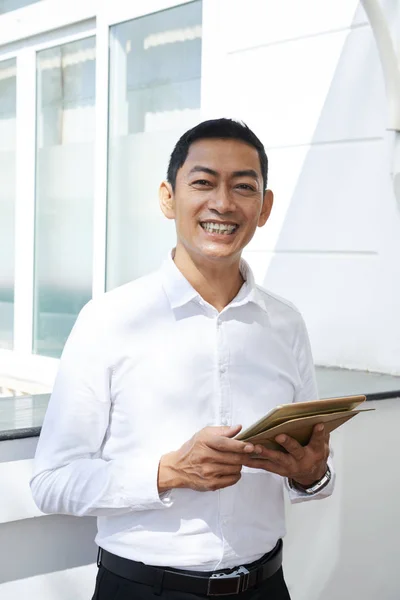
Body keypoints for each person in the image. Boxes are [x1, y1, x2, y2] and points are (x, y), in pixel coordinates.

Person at [31, 118, 334, 600]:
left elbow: (313, 477)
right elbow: (50, 482)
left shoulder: (285, 323)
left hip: (266, 586)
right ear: (168, 198)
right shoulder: (108, 319)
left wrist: (311, 472)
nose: (223, 203)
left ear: (264, 207)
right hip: (143, 589)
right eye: (203, 182)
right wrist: (170, 472)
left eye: (243, 187)